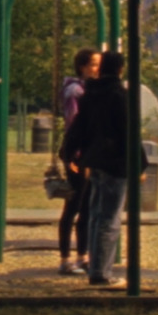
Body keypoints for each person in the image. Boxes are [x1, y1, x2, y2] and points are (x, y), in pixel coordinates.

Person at [59, 51, 146, 287]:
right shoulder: (120, 95)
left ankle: (95, 267)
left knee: (96, 215)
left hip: (94, 161)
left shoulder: (90, 94)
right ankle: (101, 273)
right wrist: (140, 163)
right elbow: (130, 131)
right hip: (115, 162)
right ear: (120, 69)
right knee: (110, 218)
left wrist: (69, 152)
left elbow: (79, 126)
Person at [56, 47, 99, 275]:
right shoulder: (76, 92)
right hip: (78, 155)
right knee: (73, 205)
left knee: (87, 207)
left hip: (87, 154)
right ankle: (65, 258)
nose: (97, 69)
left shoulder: (88, 90)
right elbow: (74, 124)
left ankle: (83, 255)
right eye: (93, 64)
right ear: (83, 67)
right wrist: (78, 155)